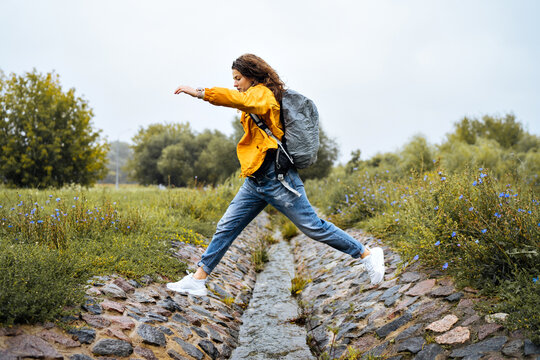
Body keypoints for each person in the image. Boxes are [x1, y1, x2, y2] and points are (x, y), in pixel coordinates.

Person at [167, 54, 385, 296]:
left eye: (238, 78)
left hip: (277, 178)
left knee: (313, 227)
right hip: (255, 181)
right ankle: (198, 279)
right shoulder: (253, 95)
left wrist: (199, 92)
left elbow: (236, 99)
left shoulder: (262, 94)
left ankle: (366, 253)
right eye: (234, 79)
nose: (235, 83)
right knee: (226, 227)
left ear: (252, 76)